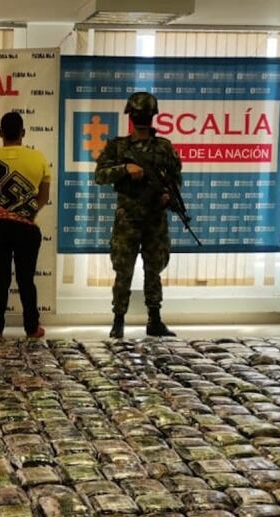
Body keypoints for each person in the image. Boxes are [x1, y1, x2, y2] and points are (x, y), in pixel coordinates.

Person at [94, 91, 183, 339]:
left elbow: (175, 180)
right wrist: (125, 169)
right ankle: (118, 320)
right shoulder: (118, 147)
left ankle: (154, 320)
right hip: (128, 219)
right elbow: (99, 176)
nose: (141, 117)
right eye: (139, 114)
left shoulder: (163, 147)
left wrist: (167, 196)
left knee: (154, 270)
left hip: (155, 218)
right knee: (124, 271)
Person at [0, 112, 51, 339]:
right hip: (27, 227)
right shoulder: (38, 158)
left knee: (1, 279)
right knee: (26, 280)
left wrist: (3, 212)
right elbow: (43, 197)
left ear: (0, 132)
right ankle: (32, 328)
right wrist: (25, 213)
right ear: (23, 132)